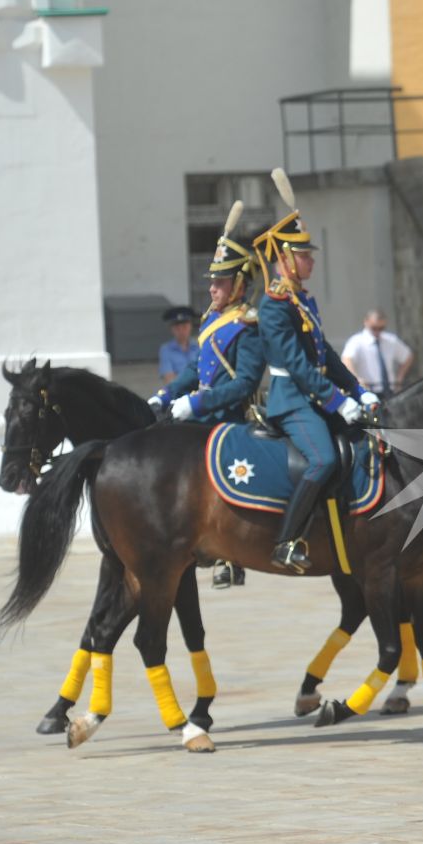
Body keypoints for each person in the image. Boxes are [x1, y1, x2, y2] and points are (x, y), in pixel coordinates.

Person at [255, 171, 376, 573]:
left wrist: (360, 392)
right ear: (285, 259)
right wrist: (338, 402)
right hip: (291, 400)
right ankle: (286, 541)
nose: (310, 261)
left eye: (309, 255)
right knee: (323, 459)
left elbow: (326, 355)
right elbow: (298, 365)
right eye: (304, 255)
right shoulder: (275, 305)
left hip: (317, 393)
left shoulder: (303, 299)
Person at [150, 205, 265, 590]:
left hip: (226, 417)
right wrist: (165, 395)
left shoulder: (247, 326)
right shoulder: (212, 321)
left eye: (219, 283)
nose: (211, 289)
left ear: (239, 286)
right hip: (198, 411)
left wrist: (197, 403)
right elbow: (194, 368)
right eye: (212, 282)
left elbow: (245, 384)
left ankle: (231, 556)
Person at [341, 309, 412, 397]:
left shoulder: (390, 340)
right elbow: (346, 360)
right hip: (369, 391)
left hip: (390, 391)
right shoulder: (356, 341)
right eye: (374, 328)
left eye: (381, 328)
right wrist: (356, 378)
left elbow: (407, 356)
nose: (377, 332)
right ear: (366, 322)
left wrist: (400, 377)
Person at [157, 306, 195, 386]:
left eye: (184, 327)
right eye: (177, 328)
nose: (181, 331)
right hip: (178, 394)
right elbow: (169, 379)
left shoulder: (200, 346)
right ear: (172, 329)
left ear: (190, 326)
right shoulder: (166, 350)